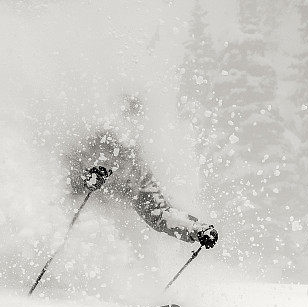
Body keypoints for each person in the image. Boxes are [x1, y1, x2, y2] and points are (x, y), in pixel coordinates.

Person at [64, 95, 218, 250]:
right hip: (66, 213)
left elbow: (161, 214)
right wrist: (85, 179)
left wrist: (196, 229)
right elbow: (59, 176)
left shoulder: (139, 176)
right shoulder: (91, 139)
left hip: (95, 231)